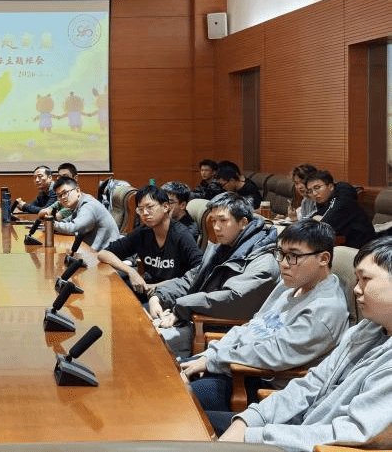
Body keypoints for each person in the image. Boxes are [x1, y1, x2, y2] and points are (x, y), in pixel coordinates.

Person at [217, 236, 392, 452]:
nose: (356, 289)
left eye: (365, 279)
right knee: (195, 427)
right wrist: (251, 419)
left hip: (316, 444)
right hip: (298, 428)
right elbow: (311, 383)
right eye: (356, 280)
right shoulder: (366, 329)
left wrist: (254, 436)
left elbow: (354, 432)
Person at [181, 220, 349, 434]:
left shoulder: (325, 310)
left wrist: (213, 361)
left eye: (293, 256)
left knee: (177, 404)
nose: (284, 264)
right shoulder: (289, 285)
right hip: (233, 364)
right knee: (167, 376)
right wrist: (208, 355)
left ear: (323, 259)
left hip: (260, 384)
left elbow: (271, 354)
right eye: (281, 254)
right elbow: (253, 325)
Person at [148, 193, 279, 358]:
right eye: (214, 221)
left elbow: (233, 299)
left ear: (243, 223)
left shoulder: (262, 261)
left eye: (223, 220)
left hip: (221, 333)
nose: (216, 227)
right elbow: (191, 279)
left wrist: (182, 307)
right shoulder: (223, 248)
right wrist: (159, 296)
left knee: (148, 344)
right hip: (196, 316)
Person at [98, 185, 203, 299]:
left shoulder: (181, 235)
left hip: (172, 294)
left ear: (165, 207)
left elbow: (200, 272)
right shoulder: (142, 233)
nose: (145, 213)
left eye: (150, 207)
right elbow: (104, 253)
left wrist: (157, 286)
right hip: (148, 288)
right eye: (140, 209)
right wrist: (131, 271)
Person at [306, 170, 375, 249]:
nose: (314, 193)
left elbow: (326, 226)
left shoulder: (343, 198)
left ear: (331, 186)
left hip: (362, 248)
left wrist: (319, 219)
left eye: (317, 188)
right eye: (310, 191)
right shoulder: (324, 201)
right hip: (342, 245)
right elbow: (312, 221)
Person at [49, 177, 120, 251]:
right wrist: (54, 222)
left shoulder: (88, 206)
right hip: (94, 250)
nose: (63, 197)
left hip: (107, 252)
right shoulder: (79, 203)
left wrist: (51, 224)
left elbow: (73, 228)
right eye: (59, 195)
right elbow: (70, 220)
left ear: (77, 190)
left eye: (65, 193)